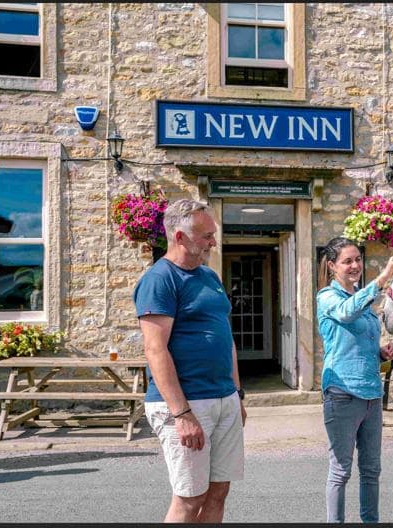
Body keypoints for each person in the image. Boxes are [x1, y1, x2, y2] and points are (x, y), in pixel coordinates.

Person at [133, 199, 246, 523]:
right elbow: (155, 350)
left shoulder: (210, 276)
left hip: (222, 397)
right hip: (188, 403)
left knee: (217, 492)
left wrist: (236, 394)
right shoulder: (160, 279)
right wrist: (181, 414)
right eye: (206, 235)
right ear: (179, 237)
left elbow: (227, 338)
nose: (214, 241)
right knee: (189, 498)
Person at [316, 237, 393, 523]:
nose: (355, 266)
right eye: (347, 261)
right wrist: (383, 278)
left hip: (371, 393)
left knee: (371, 469)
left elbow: (354, 341)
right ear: (332, 266)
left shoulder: (363, 301)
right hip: (342, 393)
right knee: (341, 470)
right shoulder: (328, 297)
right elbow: (346, 313)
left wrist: (380, 352)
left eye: (357, 259)